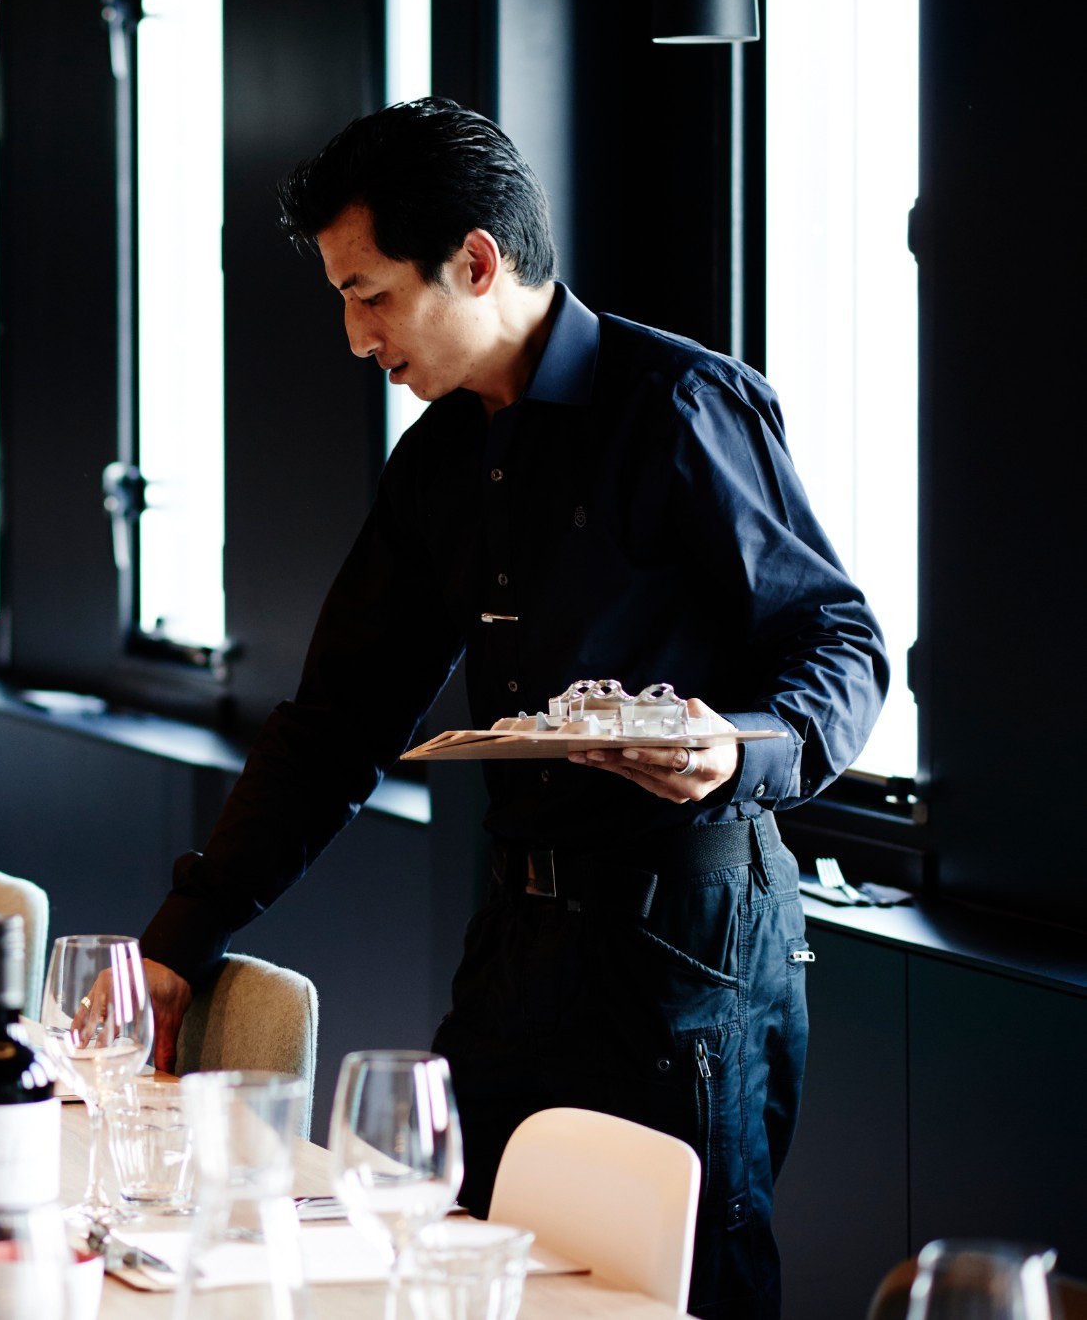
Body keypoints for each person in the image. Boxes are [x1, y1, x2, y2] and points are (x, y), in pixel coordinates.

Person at [136, 99, 886, 1320]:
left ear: (476, 261)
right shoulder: (433, 463)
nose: (351, 335)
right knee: (466, 1271)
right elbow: (334, 723)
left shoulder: (686, 405)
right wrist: (183, 932)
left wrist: (739, 748)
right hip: (515, 944)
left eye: (369, 294)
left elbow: (838, 642)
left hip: (689, 947)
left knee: (694, 1290)